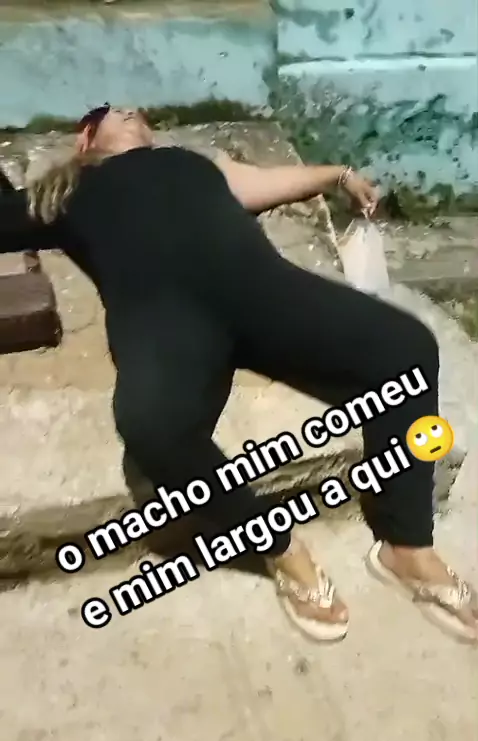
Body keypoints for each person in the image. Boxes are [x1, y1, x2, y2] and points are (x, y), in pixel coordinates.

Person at [0, 105, 476, 643]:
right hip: (169, 319)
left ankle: (406, 546)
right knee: (152, 428)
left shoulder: (189, 163)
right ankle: (280, 546)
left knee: (407, 349)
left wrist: (339, 175)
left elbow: (265, 184)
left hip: (264, 295)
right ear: (86, 138)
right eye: (116, 112)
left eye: (138, 113)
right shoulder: (66, 193)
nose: (133, 112)